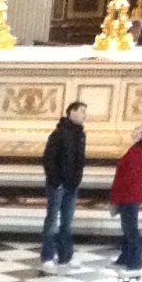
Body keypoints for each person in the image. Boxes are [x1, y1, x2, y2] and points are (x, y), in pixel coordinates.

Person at [40, 100, 88, 271]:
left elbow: (80, 160)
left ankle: (65, 255)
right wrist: (56, 181)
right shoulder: (58, 133)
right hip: (58, 185)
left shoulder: (81, 135)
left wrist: (76, 179)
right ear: (72, 112)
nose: (84, 115)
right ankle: (47, 255)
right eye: (82, 111)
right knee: (52, 220)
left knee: (67, 222)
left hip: (72, 185)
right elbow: (48, 159)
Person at [112, 121, 142, 273]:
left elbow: (130, 177)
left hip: (130, 194)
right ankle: (126, 256)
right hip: (129, 193)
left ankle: (135, 261)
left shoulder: (137, 152)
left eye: (138, 129)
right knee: (127, 227)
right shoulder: (136, 150)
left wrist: (117, 194)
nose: (134, 130)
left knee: (131, 229)